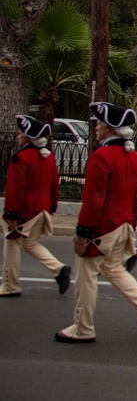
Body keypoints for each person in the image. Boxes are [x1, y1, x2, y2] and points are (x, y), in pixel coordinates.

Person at [56, 102, 137, 343]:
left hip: (102, 227)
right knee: (113, 269)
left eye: (99, 123)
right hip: (123, 223)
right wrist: (132, 223)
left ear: (110, 128)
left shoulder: (102, 156)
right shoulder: (134, 156)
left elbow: (94, 199)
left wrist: (83, 231)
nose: (95, 127)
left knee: (86, 277)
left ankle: (82, 327)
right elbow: (136, 194)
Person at [1, 114, 71, 298]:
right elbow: (54, 184)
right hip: (42, 209)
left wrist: (10, 213)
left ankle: (10, 286)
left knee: (12, 244)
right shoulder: (48, 158)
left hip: (24, 210)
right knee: (31, 243)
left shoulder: (21, 158)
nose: (17, 136)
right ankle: (58, 269)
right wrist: (53, 205)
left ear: (27, 137)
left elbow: (14, 189)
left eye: (20, 133)